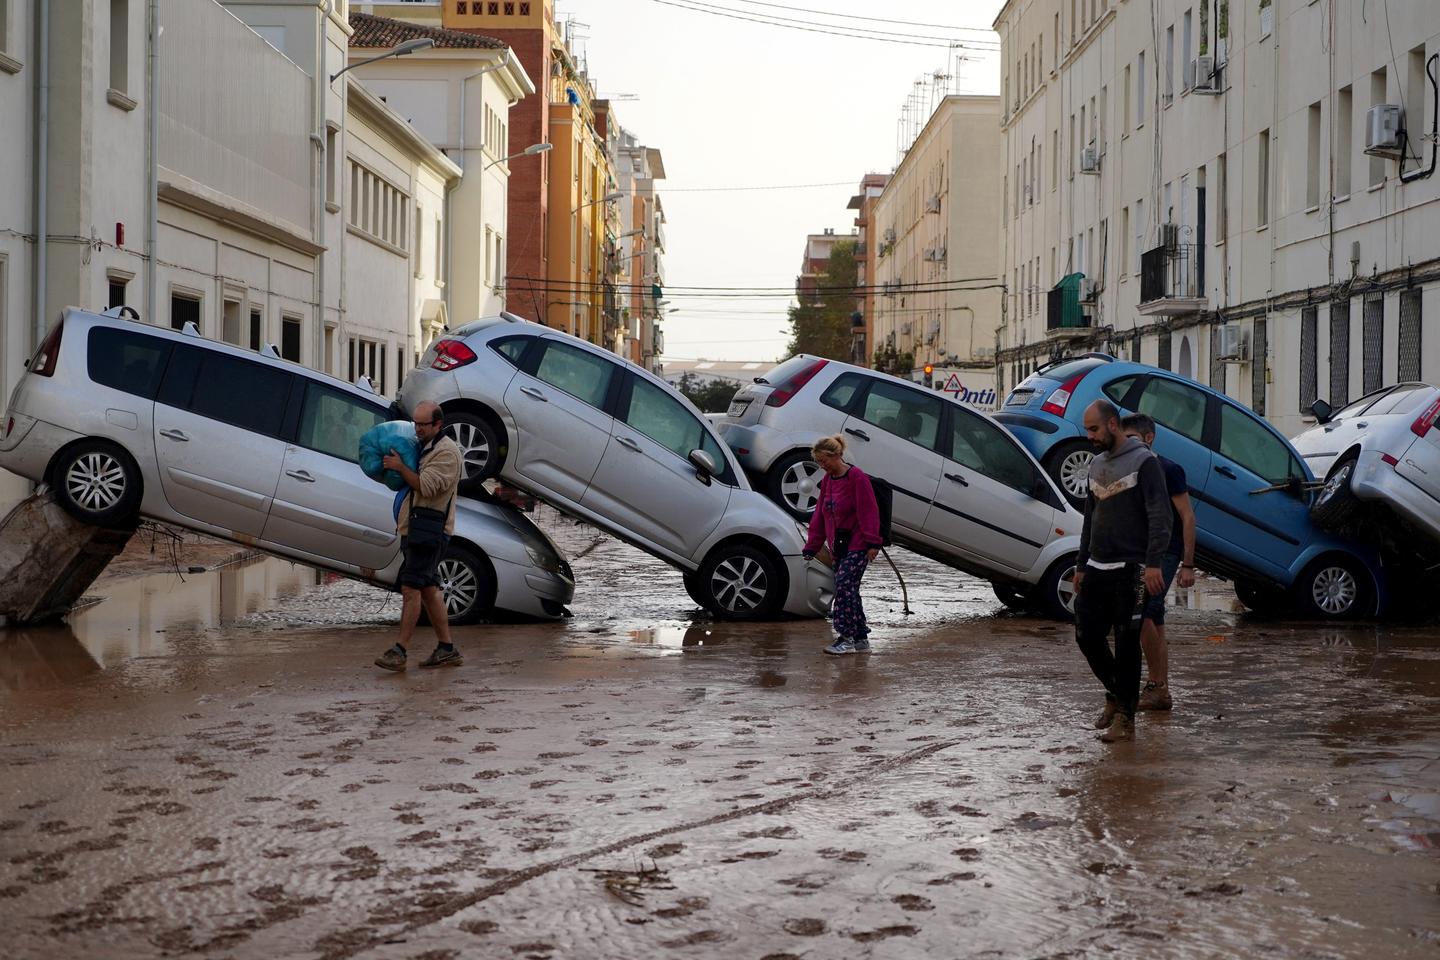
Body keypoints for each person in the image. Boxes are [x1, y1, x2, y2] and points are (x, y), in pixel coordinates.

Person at [1073, 399, 1172, 742]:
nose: (1090, 436)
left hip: (1132, 569)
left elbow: (1162, 516)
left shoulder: (1145, 463)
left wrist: (1154, 563)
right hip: (1097, 567)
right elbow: (1090, 519)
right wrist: (1081, 564)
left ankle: (1126, 719)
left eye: (1094, 429)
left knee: (1128, 643)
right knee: (1086, 635)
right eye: (1087, 430)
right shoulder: (1096, 464)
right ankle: (1117, 695)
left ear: (1113, 424)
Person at [374, 400, 463, 671]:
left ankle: (399, 651)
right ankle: (446, 648)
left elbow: (426, 486)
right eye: (415, 423)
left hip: (429, 532)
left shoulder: (447, 454)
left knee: (411, 588)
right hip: (416, 529)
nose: (418, 429)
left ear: (438, 424)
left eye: (423, 424)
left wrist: (401, 467)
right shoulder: (424, 446)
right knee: (428, 589)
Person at [1120, 413, 1197, 712]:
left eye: (1132, 439)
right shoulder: (1129, 468)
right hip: (1141, 552)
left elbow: (1188, 516)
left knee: (1143, 616)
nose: (1126, 445)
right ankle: (1161, 690)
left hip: (1165, 552)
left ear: (1148, 438)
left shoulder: (1168, 469)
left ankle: (1154, 685)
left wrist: (1187, 564)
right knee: (1155, 619)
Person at [801, 435, 882, 656]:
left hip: (858, 544)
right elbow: (819, 514)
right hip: (838, 546)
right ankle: (861, 639)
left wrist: (873, 542)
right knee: (850, 590)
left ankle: (845, 637)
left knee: (844, 586)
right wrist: (812, 546)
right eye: (818, 462)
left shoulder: (856, 477)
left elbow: (868, 511)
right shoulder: (828, 480)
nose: (821, 466)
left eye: (823, 461)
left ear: (836, 455)